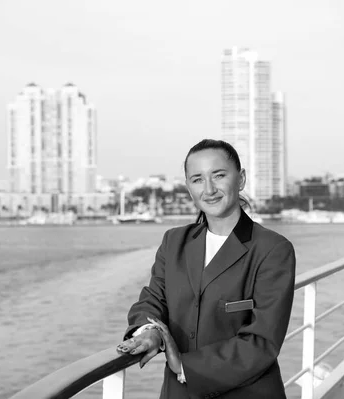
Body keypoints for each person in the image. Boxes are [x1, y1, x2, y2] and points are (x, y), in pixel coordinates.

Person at [116, 139, 296, 398]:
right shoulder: (174, 242)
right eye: (197, 179)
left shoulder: (273, 249)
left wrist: (184, 366)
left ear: (241, 179)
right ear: (189, 187)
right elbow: (153, 301)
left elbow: (262, 341)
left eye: (219, 175)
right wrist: (150, 332)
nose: (209, 189)